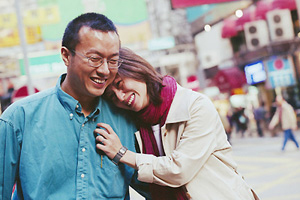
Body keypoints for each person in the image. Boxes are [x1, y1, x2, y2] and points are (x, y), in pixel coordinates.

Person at [0, 13, 148, 200]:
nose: (104, 70)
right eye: (94, 58)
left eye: (112, 61)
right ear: (66, 56)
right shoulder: (19, 118)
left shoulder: (126, 118)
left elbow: (156, 188)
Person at [94, 47, 259, 200]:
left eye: (119, 84)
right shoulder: (135, 125)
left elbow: (179, 170)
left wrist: (122, 153)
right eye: (112, 96)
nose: (121, 97)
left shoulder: (195, 105)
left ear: (136, 69)